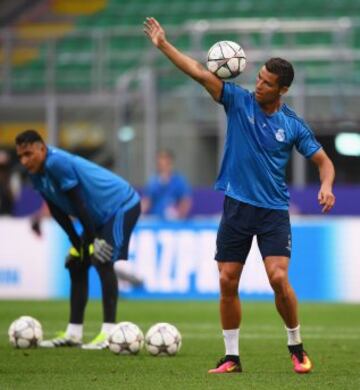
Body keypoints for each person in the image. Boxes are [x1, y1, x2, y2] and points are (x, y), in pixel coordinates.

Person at [144, 17, 335, 374]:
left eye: (266, 83)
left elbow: (324, 162)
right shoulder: (237, 101)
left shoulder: (292, 124)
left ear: (283, 90)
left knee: (278, 278)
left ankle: (296, 345)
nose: (258, 85)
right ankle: (231, 357)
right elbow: (199, 73)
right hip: (236, 207)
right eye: (259, 78)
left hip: (273, 211)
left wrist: (325, 185)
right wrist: (164, 45)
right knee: (227, 280)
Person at [15, 130, 141, 350]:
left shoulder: (56, 163)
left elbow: (79, 203)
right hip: (97, 216)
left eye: (28, 154)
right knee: (76, 263)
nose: (25, 161)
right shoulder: (35, 172)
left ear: (41, 149)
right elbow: (56, 209)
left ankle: (110, 333)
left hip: (121, 205)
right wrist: (76, 243)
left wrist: (91, 241)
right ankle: (73, 334)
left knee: (102, 259)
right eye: (21, 156)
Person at [141, 149, 192, 220]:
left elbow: (185, 202)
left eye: (166, 163)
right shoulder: (153, 181)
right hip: (156, 220)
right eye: (160, 163)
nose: (163, 166)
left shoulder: (179, 181)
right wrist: (139, 214)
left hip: (174, 221)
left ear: (170, 163)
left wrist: (178, 215)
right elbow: (147, 201)